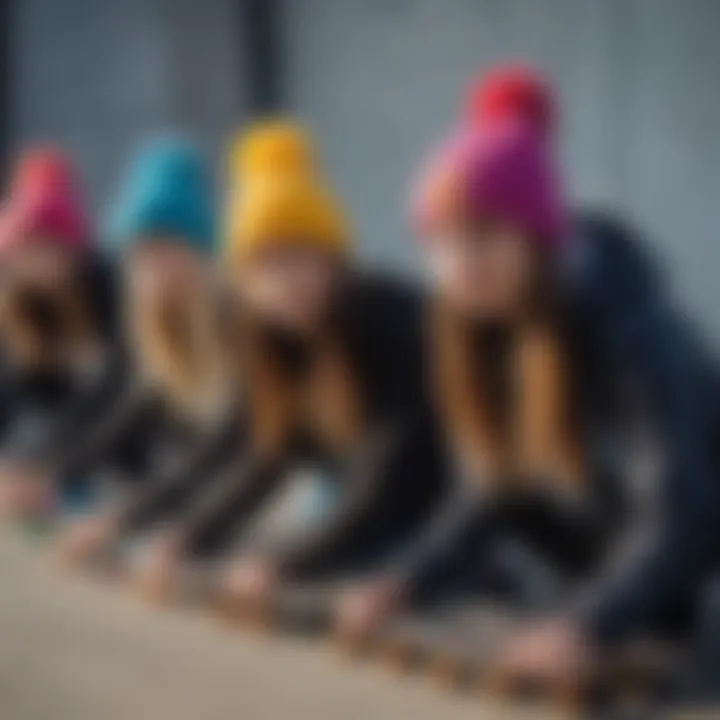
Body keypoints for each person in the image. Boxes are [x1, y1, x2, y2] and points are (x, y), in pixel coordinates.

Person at [336, 116, 720, 694]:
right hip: (653, 554)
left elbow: (683, 509)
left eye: (485, 233)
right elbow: (494, 488)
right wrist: (405, 581)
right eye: (441, 242)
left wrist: (585, 624)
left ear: (537, 239)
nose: (461, 260)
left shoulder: (632, 331)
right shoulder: (489, 328)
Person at [150, 120, 446, 614]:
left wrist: (287, 564)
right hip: (369, 509)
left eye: (301, 256)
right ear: (242, 281)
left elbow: (393, 473)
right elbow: (263, 455)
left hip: (437, 514)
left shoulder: (391, 321)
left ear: (334, 258)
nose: (285, 280)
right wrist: (187, 536)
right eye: (264, 264)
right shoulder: (271, 339)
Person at [51, 138, 245, 598]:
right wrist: (50, 474)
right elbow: (122, 417)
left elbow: (233, 451)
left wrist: (135, 521)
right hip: (208, 496)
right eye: (138, 255)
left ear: (199, 250)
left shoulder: (236, 323)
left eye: (163, 249)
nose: (148, 269)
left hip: (271, 499)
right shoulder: (155, 328)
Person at [0, 147, 124, 520]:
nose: (37, 261)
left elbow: (112, 389)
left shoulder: (103, 286)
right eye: (27, 248)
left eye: (49, 246)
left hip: (100, 419)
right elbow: (12, 388)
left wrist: (52, 464)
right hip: (44, 417)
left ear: (72, 249)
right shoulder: (14, 297)